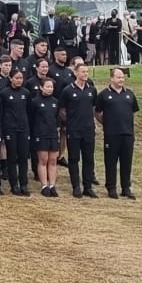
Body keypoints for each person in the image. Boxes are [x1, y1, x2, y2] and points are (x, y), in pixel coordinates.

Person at [95, 67, 139, 199]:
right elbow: (97, 112)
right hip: (112, 134)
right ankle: (111, 188)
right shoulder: (104, 94)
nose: (121, 79)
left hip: (127, 134)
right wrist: (106, 123)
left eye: (122, 77)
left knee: (126, 162)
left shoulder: (129, 94)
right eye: (118, 77)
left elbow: (133, 112)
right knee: (111, 162)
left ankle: (126, 188)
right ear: (112, 78)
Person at [59, 64, 98, 198]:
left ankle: (88, 187)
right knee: (74, 158)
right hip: (74, 130)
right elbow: (62, 110)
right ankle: (76, 186)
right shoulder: (67, 90)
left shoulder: (92, 90)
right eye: (82, 71)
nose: (85, 74)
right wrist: (69, 122)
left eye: (87, 72)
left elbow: (93, 108)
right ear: (76, 73)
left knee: (88, 158)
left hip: (88, 129)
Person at [0, 69, 31, 196]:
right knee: (12, 157)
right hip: (10, 128)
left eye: (21, 78)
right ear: (11, 78)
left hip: (23, 128)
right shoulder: (4, 93)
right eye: (16, 78)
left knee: (23, 157)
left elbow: (29, 111)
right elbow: (0, 112)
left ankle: (24, 184)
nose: (19, 80)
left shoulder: (26, 93)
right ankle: (14, 185)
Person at [31, 78, 61, 197]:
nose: (49, 89)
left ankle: (52, 185)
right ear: (41, 87)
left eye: (51, 87)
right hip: (40, 134)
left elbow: (57, 118)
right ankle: (44, 185)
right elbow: (31, 118)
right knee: (43, 160)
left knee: (53, 161)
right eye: (47, 86)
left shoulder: (55, 101)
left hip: (52, 134)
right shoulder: (35, 101)